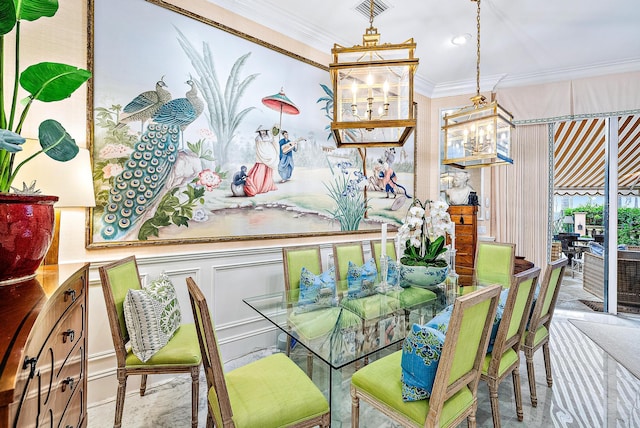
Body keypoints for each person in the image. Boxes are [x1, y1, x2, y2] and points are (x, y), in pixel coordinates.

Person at [244, 125, 279, 197]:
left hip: (269, 157)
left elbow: (272, 144)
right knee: (259, 173)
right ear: (259, 132)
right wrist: (264, 155)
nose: (262, 132)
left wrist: (275, 139)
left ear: (266, 131)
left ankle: (266, 187)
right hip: (261, 158)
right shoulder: (258, 139)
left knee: (268, 173)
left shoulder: (269, 138)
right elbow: (260, 148)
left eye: (264, 131)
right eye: (261, 131)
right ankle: (257, 187)